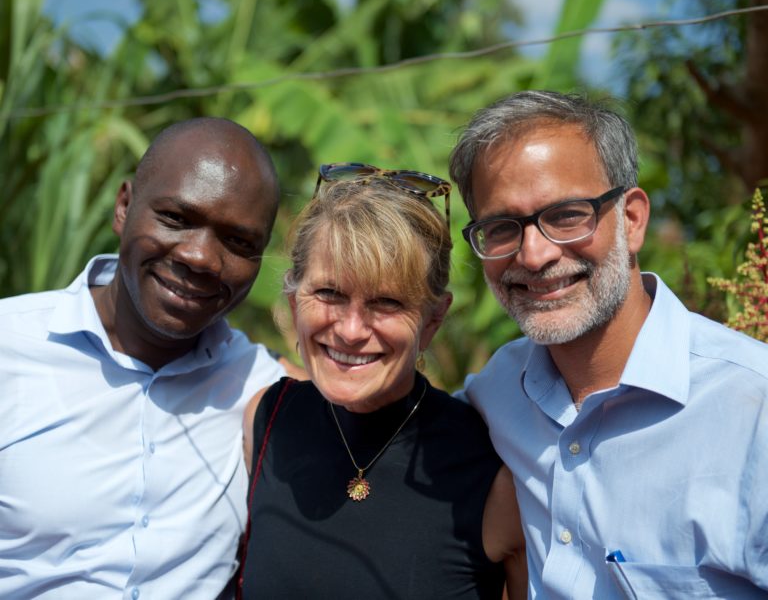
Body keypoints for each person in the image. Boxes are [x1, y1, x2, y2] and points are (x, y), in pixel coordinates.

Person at [448, 90, 768, 599]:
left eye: (567, 215)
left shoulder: (751, 413)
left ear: (632, 219)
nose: (533, 255)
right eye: (501, 227)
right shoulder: (497, 393)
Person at [0, 117, 297, 599]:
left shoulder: (258, 385)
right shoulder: (9, 347)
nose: (201, 257)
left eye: (238, 243)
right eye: (177, 219)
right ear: (124, 207)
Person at [240, 163, 527, 599]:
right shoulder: (266, 421)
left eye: (387, 302)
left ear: (433, 320)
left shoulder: (493, 471)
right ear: (294, 300)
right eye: (329, 293)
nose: (351, 330)